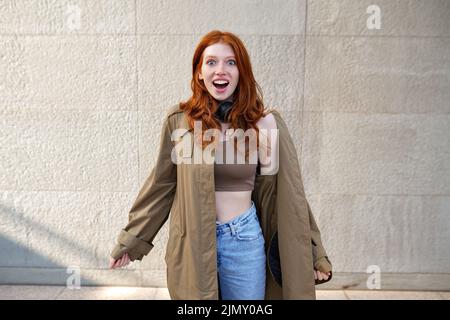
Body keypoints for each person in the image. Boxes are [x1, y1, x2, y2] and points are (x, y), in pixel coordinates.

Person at [109, 30, 332, 300]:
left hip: (244, 240)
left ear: (241, 71)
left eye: (231, 62)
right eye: (211, 62)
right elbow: (161, 186)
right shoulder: (181, 123)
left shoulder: (264, 124)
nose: (220, 70)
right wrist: (132, 240)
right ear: (199, 72)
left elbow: (289, 196)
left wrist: (314, 251)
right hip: (192, 243)